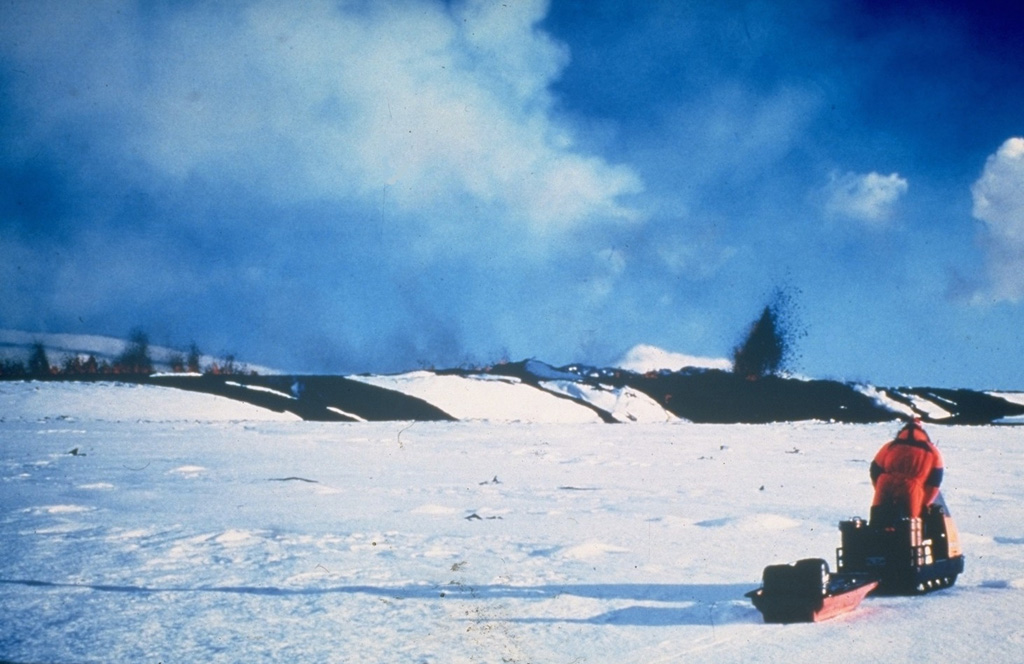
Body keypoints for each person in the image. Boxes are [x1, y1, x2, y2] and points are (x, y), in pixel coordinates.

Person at [869, 418, 944, 526]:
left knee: (878, 523)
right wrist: (925, 503)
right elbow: (935, 482)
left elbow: (875, 469)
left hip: (885, 484)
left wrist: (879, 487)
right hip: (912, 489)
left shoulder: (890, 445)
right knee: (910, 527)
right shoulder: (932, 451)